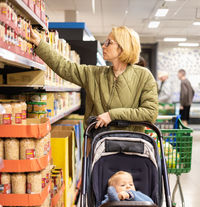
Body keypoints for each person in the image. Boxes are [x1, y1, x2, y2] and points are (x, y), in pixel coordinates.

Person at [30, 26, 158, 132]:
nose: (103, 46)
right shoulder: (95, 74)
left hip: (130, 146)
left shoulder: (144, 76)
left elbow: (150, 113)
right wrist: (40, 44)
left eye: (109, 42)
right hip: (99, 146)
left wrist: (111, 115)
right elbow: (65, 67)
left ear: (122, 47)